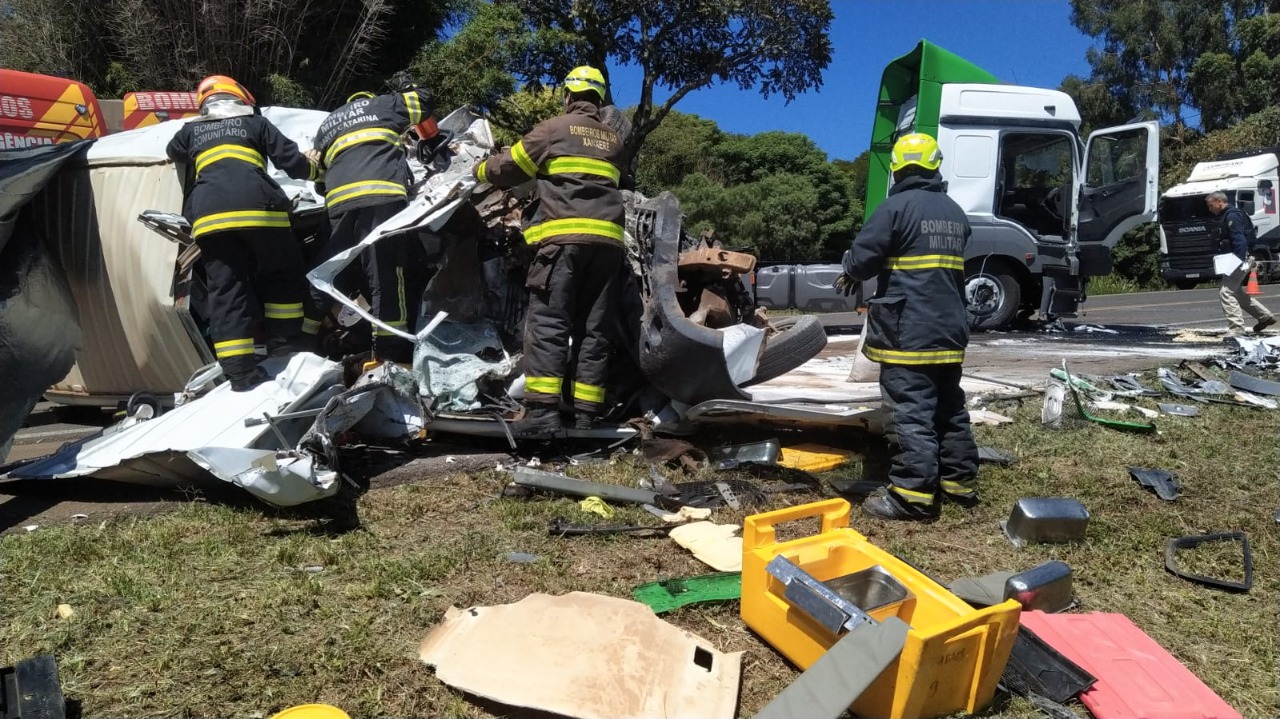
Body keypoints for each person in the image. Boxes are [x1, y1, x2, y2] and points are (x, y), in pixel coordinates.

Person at [472, 65, 626, 438]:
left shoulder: (554, 129)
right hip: (608, 246)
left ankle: (541, 413)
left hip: (563, 243)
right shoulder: (614, 141)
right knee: (594, 329)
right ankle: (587, 413)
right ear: (600, 100)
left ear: (568, 96)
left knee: (549, 322)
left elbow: (510, 168)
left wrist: (478, 170)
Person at [835, 132, 979, 521]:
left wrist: (849, 267)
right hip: (949, 330)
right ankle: (959, 483)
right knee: (949, 407)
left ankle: (912, 494)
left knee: (909, 410)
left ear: (897, 169)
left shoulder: (894, 208)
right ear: (935, 165)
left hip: (908, 333)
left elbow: (864, 259)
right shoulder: (953, 211)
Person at [166, 75, 320, 391]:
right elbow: (293, 163)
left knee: (226, 290)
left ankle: (239, 374)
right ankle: (283, 345)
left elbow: (172, 151)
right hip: (259, 210)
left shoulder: (191, 130)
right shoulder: (256, 123)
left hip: (210, 218)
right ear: (241, 98)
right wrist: (319, 170)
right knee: (283, 274)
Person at [305, 80, 438, 367]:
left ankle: (301, 344)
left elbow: (318, 181)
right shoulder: (385, 105)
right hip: (381, 198)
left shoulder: (327, 124)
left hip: (339, 204)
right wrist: (408, 86)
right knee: (387, 276)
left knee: (327, 273)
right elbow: (425, 100)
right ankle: (391, 354)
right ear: (369, 97)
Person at [1207, 191, 1274, 335]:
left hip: (1240, 259)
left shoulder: (1232, 216)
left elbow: (1240, 240)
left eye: (1211, 205)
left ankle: (1236, 328)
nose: (1210, 209)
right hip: (1242, 258)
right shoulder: (1231, 214)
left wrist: (1238, 261)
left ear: (1220, 202)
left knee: (1226, 292)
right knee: (1235, 291)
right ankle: (1265, 317)